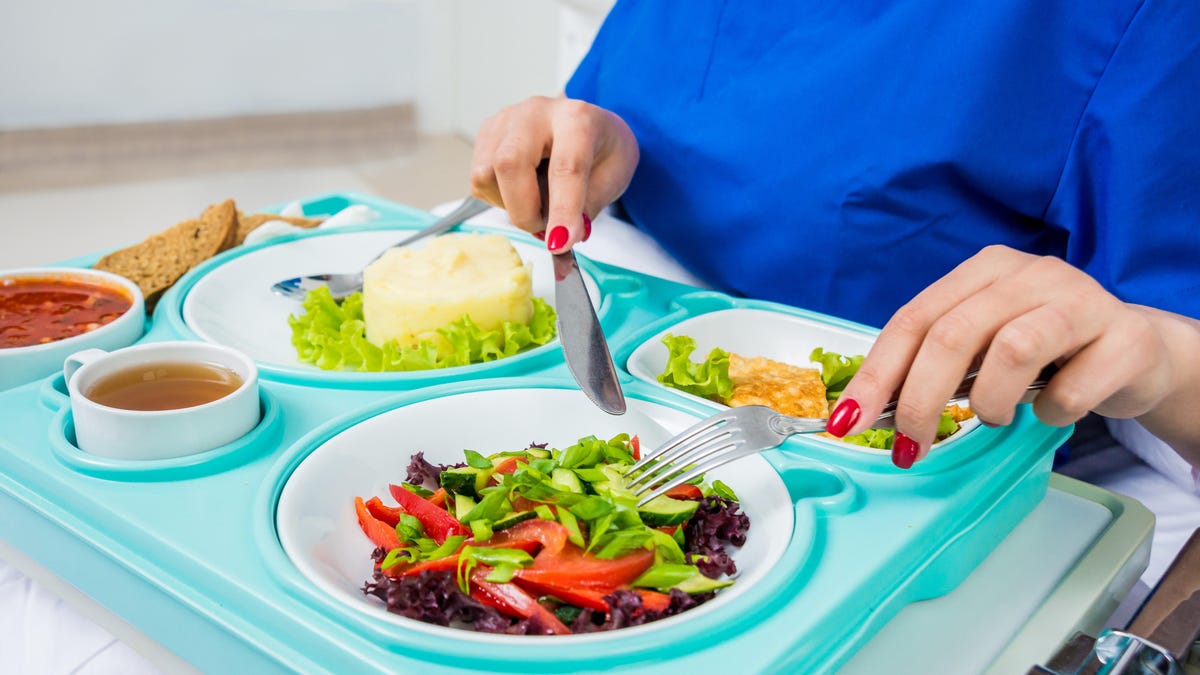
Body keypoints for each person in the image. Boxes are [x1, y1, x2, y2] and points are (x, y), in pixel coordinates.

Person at [468, 0, 1200, 472]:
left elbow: (1165, 356)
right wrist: (603, 141)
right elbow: (660, 90)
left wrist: (1160, 354)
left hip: (903, 472)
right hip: (631, 366)